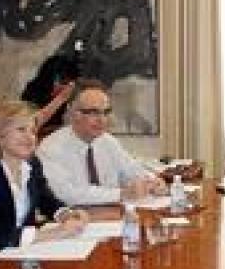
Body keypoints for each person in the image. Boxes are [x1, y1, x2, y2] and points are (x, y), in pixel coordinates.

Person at [0, 101, 87, 269]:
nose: (30, 137)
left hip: (19, 257)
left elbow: (45, 198)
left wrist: (66, 214)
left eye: (33, 131)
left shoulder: (32, 164)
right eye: (21, 130)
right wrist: (55, 233)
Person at [37, 78, 165, 205]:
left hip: (113, 213)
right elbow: (66, 194)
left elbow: (131, 170)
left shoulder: (108, 141)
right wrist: (122, 194)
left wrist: (152, 181)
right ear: (72, 112)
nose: (102, 120)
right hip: (74, 215)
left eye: (106, 112)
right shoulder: (50, 148)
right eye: (93, 112)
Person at [21, 54, 81, 132]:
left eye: (71, 82)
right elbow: (32, 123)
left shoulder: (66, 98)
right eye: (64, 82)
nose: (67, 87)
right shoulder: (32, 92)